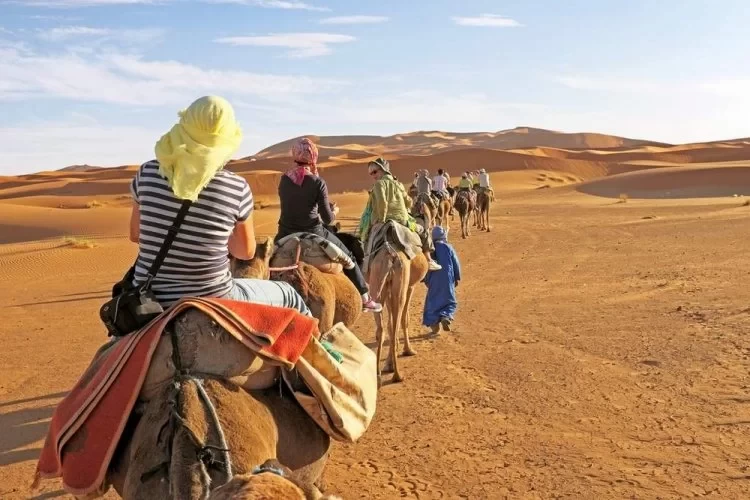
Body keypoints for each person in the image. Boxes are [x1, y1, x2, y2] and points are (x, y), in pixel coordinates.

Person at [128, 95, 310, 315]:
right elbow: (245, 252)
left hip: (149, 297)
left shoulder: (147, 173)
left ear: (184, 125)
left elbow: (136, 234)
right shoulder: (236, 187)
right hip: (214, 297)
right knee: (289, 294)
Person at [275, 137, 382, 313]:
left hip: (285, 232)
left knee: (264, 261)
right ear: (313, 157)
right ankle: (365, 298)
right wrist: (334, 211)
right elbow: (328, 220)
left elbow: (294, 205)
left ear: (295, 155)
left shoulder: (284, 180)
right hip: (314, 232)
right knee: (349, 258)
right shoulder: (318, 182)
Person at [356, 158, 441, 271]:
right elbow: (409, 202)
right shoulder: (399, 184)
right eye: (371, 173)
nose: (373, 175)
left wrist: (382, 219)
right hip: (402, 221)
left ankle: (362, 266)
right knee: (423, 232)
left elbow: (382, 203)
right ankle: (429, 260)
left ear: (383, 170)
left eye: (375, 172)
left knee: (364, 238)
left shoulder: (378, 185)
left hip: (381, 220)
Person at [422, 225, 461, 334]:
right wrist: (457, 277)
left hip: (433, 281)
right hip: (447, 279)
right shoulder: (448, 247)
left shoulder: (429, 251)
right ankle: (446, 316)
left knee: (432, 303)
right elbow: (455, 263)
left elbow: (426, 266)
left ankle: (435, 327)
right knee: (449, 300)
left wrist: (425, 280)